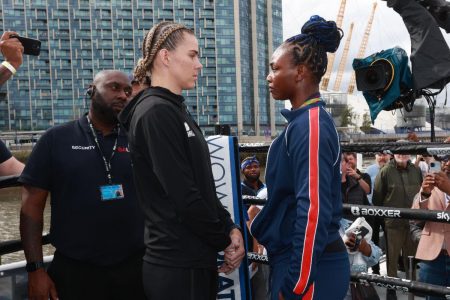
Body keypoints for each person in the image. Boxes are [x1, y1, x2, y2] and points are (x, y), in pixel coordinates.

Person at [119, 21, 245, 299]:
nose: (199, 64)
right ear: (165, 57)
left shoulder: (173, 109)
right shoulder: (155, 112)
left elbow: (203, 187)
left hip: (192, 261)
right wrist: (225, 240)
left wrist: (230, 227)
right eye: (192, 55)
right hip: (176, 267)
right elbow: (183, 197)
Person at [19, 70, 145, 300]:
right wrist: (36, 270)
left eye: (128, 91)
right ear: (91, 91)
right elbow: (30, 209)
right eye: (114, 87)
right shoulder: (56, 139)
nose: (123, 95)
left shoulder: (139, 138)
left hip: (136, 269)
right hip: (75, 272)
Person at [250, 15, 350, 300]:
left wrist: (296, 283)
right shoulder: (302, 122)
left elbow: (313, 209)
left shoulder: (311, 125)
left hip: (310, 271)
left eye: (274, 68)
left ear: (300, 72)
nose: (269, 76)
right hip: (298, 262)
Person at [372, 143, 422, 300]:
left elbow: (421, 193)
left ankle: (412, 288)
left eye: (406, 151)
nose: (403, 154)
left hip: (413, 223)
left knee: (412, 257)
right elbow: (377, 198)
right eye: (399, 151)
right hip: (393, 223)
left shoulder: (416, 170)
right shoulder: (385, 171)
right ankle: (391, 289)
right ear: (393, 153)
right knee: (392, 259)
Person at [412, 155, 450, 300]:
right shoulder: (430, 182)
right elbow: (414, 218)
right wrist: (424, 194)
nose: (447, 163)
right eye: (443, 158)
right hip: (432, 257)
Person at [340, 217, 382, 300]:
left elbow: (376, 256)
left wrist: (365, 248)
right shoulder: (312, 229)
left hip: (356, 289)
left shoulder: (352, 224)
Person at [365, 151, 391, 275]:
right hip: (373, 211)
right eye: (379, 155)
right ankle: (376, 271)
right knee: (373, 241)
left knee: (390, 241)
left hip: (389, 211)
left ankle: (393, 270)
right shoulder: (369, 170)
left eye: (385, 155)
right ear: (375, 156)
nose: (382, 157)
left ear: (390, 156)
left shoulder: (393, 170)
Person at [341, 153, 371, 221]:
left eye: (350, 159)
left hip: (356, 222)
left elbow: (367, 191)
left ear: (356, 160)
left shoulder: (363, 177)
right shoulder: (332, 183)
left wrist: (357, 177)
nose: (349, 161)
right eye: (347, 160)